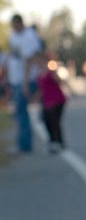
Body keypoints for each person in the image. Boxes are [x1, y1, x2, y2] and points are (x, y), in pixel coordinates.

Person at [6, 14, 43, 153]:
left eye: (15, 25)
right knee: (21, 112)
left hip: (26, 79)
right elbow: (11, 55)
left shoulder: (29, 36)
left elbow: (29, 60)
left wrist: (25, 83)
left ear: (20, 23)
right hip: (16, 79)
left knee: (21, 112)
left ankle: (24, 145)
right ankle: (24, 144)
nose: (13, 28)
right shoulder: (12, 36)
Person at [30, 51, 76, 153]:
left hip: (57, 100)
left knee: (54, 121)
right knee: (46, 121)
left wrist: (71, 90)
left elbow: (61, 81)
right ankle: (54, 141)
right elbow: (41, 90)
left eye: (38, 61)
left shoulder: (50, 72)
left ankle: (57, 142)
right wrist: (34, 98)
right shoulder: (38, 74)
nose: (36, 63)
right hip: (47, 101)